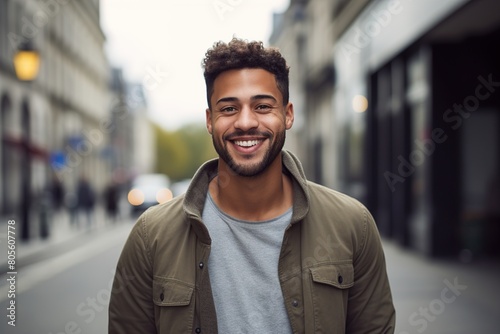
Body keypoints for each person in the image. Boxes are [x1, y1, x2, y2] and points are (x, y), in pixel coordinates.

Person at [109, 38, 395, 333]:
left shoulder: (352, 225)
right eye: (229, 109)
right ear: (210, 120)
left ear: (288, 114)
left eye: (262, 106)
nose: (245, 122)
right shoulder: (151, 237)